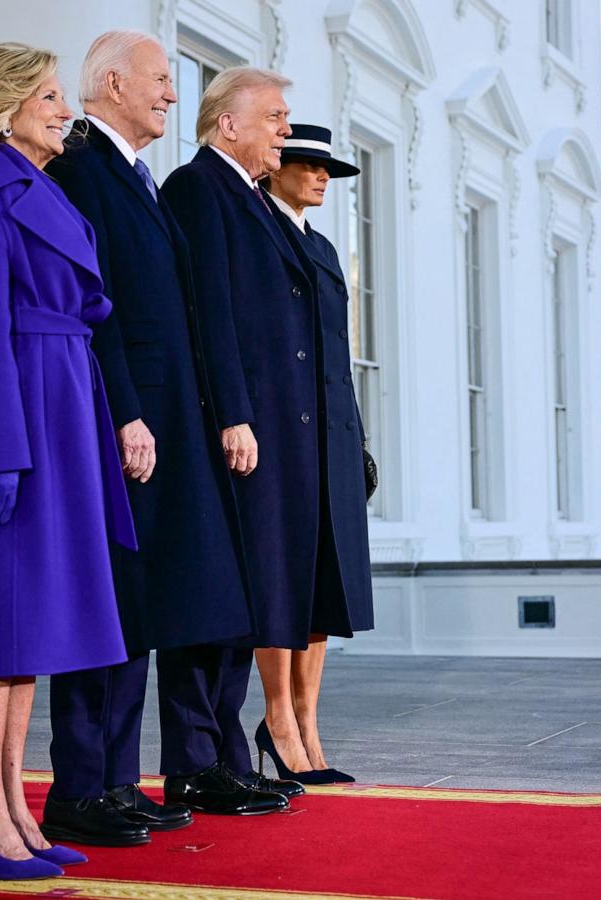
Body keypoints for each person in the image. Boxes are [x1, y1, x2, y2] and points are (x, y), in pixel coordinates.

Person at [41, 31, 283, 846]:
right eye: (161, 79)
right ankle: (81, 785)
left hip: (169, 421)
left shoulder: (135, 179)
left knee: (141, 608)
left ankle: (115, 779)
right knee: (110, 603)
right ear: (110, 82)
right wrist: (124, 412)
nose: (173, 96)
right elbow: (91, 301)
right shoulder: (80, 169)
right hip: (128, 422)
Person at [0, 42, 136, 881]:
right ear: (5, 104)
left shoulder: (36, 187)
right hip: (14, 416)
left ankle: (12, 803)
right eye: (47, 95)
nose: (63, 108)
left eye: (60, 95)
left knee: (32, 624)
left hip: (61, 403)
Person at [161, 67, 323, 800]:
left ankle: (226, 753)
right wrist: (234, 413)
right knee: (213, 596)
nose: (284, 133)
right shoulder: (198, 188)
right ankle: (197, 763)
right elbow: (210, 312)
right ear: (229, 124)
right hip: (232, 428)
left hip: (272, 431)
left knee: (247, 595)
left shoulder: (252, 197)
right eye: (275, 118)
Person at [257, 124, 375, 784]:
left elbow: (339, 356)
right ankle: (278, 721)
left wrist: (356, 441)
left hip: (332, 431)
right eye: (310, 164)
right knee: (284, 582)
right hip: (279, 432)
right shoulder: (256, 232)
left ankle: (308, 722)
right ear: (277, 167)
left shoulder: (324, 247)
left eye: (329, 168)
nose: (323, 176)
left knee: (326, 584)